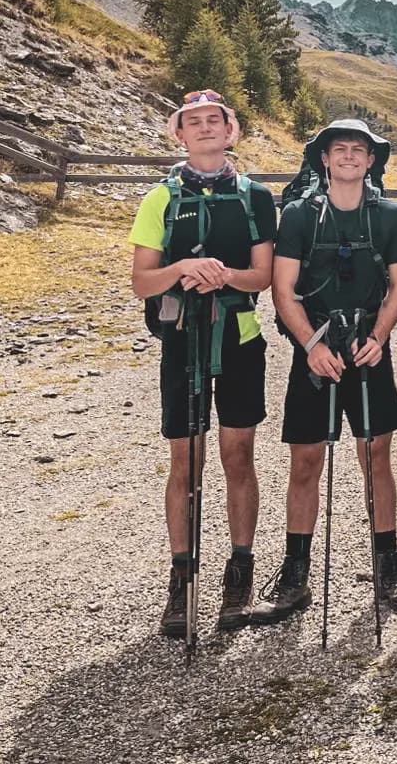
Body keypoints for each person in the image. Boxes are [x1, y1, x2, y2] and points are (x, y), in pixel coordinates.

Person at [249, 118, 397, 625]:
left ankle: (389, 567)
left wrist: (379, 338)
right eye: (339, 148)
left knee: (376, 457)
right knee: (305, 462)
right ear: (324, 159)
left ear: (371, 160)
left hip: (369, 350)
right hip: (315, 353)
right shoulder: (298, 215)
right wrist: (310, 345)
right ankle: (295, 574)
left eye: (358, 149)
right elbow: (282, 289)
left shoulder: (390, 216)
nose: (348, 155)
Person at [128, 90, 277, 638]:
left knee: (238, 456)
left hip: (239, 337)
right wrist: (183, 269)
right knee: (185, 461)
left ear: (231, 130)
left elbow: (263, 276)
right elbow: (143, 280)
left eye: (216, 120)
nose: (206, 128)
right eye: (195, 122)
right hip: (182, 340)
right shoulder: (160, 199)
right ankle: (182, 577)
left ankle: (240, 571)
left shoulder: (256, 197)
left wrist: (223, 276)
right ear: (180, 134)